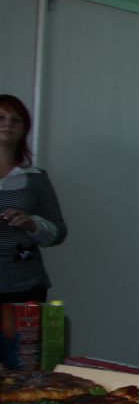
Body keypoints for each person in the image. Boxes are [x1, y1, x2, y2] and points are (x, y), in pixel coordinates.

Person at [0, 94, 67, 303]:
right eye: (1, 117)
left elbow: (59, 232)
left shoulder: (35, 177)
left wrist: (32, 224)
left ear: (24, 129)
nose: (8, 124)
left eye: (16, 119)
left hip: (25, 285)